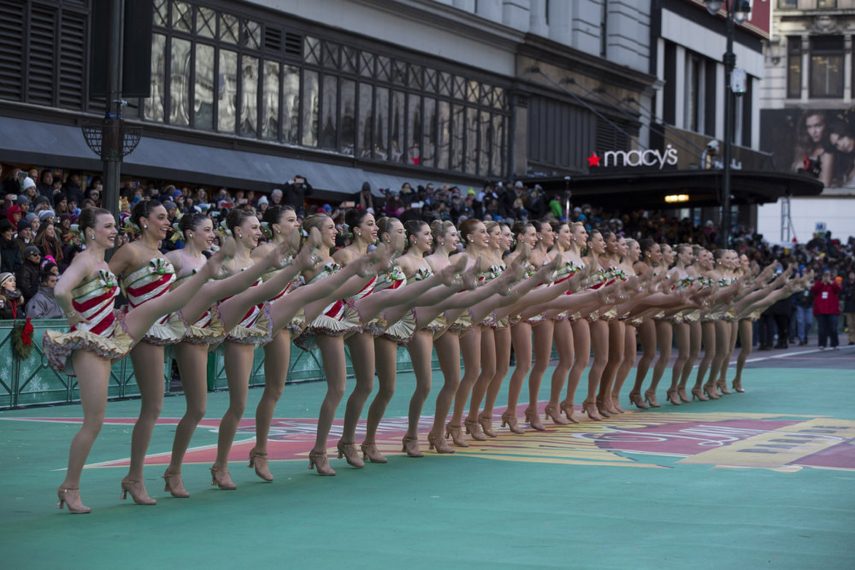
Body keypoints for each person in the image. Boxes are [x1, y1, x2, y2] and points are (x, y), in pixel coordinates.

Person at [44, 207, 231, 514]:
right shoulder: (94, 258)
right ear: (91, 231)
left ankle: (129, 479)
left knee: (126, 412)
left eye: (114, 225)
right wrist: (71, 314)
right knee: (95, 421)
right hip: (96, 337)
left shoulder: (102, 261)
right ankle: (71, 486)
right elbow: (62, 289)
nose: (114, 230)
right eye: (107, 226)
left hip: (113, 334)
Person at [812, 270, 842, 350]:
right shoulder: (819, 284)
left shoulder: (833, 283)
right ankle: (822, 344)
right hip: (821, 310)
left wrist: (830, 282)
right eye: (825, 275)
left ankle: (834, 344)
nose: (826, 277)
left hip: (832, 310)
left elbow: (838, 289)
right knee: (822, 328)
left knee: (833, 328)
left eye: (828, 275)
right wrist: (822, 282)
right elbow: (814, 290)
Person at [844, 270, 855, 346]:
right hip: (848, 306)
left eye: (853, 274)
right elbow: (842, 292)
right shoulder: (846, 283)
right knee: (850, 324)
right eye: (850, 274)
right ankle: (851, 339)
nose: (851, 276)